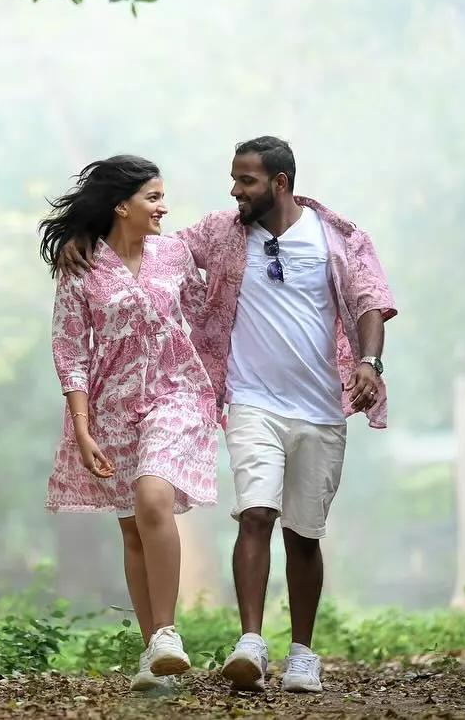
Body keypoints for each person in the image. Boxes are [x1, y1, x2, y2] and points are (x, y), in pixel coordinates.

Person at [58, 136, 396, 695]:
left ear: (280, 183)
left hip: (299, 404)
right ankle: (243, 643)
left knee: (303, 535)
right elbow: (122, 271)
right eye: (234, 180)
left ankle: (303, 654)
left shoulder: (336, 236)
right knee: (251, 515)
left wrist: (368, 361)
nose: (234, 191)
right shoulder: (219, 233)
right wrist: (81, 235)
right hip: (243, 401)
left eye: (246, 181)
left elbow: (368, 300)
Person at [39, 154, 220, 696]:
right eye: (154, 197)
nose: (164, 207)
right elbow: (70, 349)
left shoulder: (176, 255)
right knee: (131, 527)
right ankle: (154, 653)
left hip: (177, 394)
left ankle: (166, 634)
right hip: (112, 407)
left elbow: (208, 315)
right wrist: (82, 426)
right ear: (123, 205)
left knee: (153, 498)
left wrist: (228, 385)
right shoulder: (82, 266)